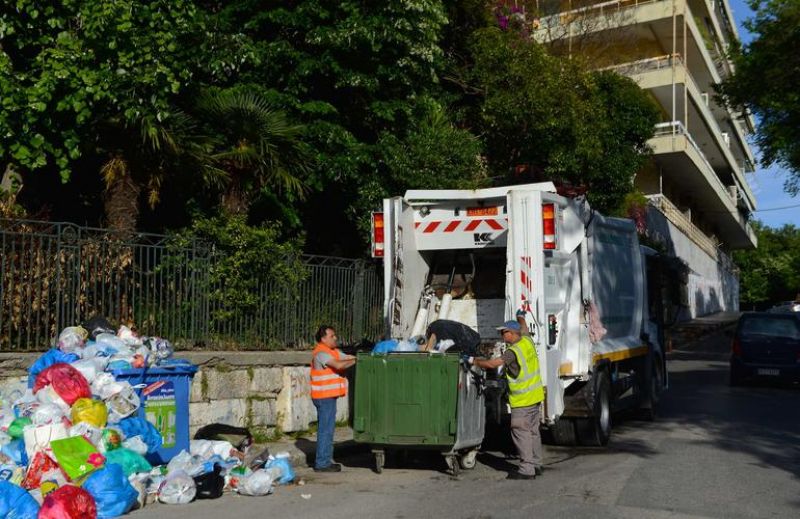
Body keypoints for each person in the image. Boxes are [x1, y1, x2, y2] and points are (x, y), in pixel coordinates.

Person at [467, 313, 544, 480]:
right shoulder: (527, 340)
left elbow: (492, 364)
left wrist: (474, 361)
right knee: (533, 432)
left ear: (512, 333)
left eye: (504, 332)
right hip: (535, 397)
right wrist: (520, 316)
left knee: (521, 433)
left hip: (522, 401)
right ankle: (537, 464)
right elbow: (523, 327)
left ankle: (526, 469)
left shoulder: (512, 352)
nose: (502, 336)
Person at [310, 325, 356, 472]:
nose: (335, 338)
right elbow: (338, 365)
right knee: (325, 430)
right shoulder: (321, 353)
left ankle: (324, 461)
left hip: (328, 397)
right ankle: (322, 463)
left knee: (328, 430)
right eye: (332, 336)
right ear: (323, 338)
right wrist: (357, 360)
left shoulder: (333, 351)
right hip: (324, 397)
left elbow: (347, 358)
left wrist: (356, 357)